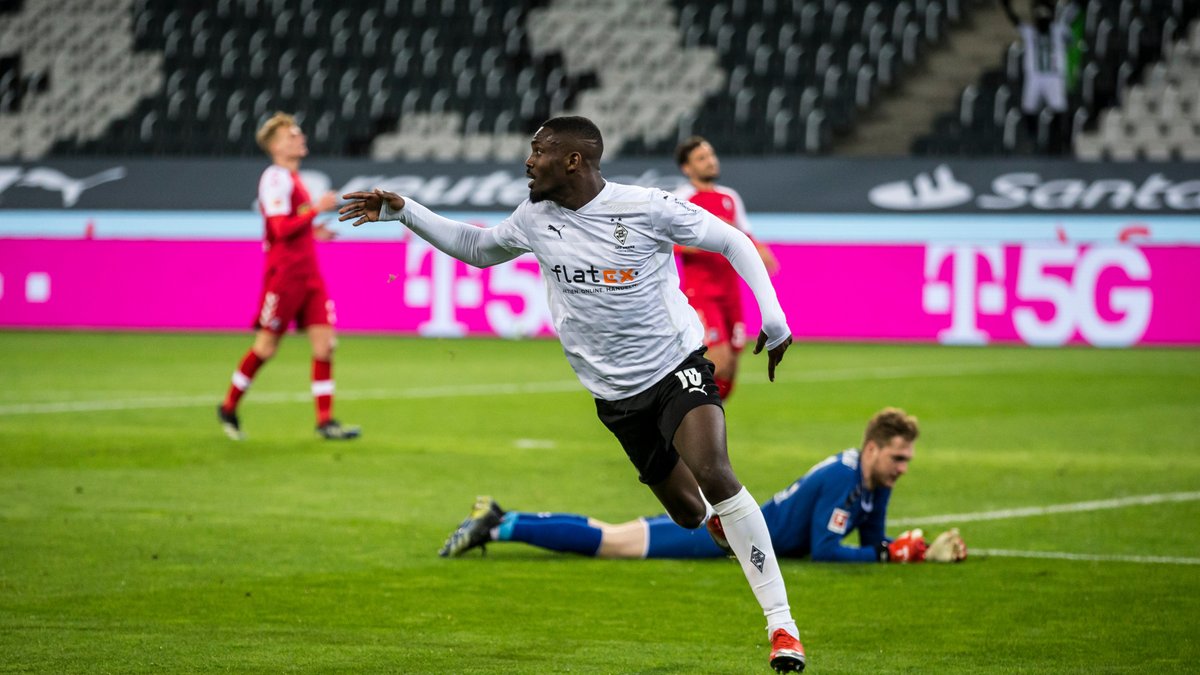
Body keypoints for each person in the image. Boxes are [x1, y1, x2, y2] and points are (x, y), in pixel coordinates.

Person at [340, 116, 806, 673]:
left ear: (572, 161)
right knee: (688, 513)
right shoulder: (534, 218)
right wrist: (404, 211)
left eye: (538, 151)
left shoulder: (646, 207)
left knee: (715, 470)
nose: (528, 161)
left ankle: (781, 625)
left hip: (676, 364)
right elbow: (478, 248)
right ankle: (714, 517)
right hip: (614, 395)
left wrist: (774, 316)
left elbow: (731, 239)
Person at [438, 408, 967, 564]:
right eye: (897, 457)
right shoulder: (844, 479)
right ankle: (500, 525)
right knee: (613, 542)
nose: (903, 467)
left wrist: (911, 549)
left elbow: (870, 540)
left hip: (732, 535)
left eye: (906, 459)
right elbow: (827, 550)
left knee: (615, 534)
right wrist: (893, 556)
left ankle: (502, 519)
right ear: (872, 448)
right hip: (718, 536)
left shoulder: (873, 480)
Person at [217, 112, 360, 441]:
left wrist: (313, 230)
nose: (300, 138)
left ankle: (325, 421)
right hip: (285, 276)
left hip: (310, 275)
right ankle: (228, 405)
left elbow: (292, 224)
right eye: (291, 135)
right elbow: (280, 229)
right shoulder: (274, 178)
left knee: (326, 345)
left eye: (298, 133)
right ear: (276, 147)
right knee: (266, 348)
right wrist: (316, 209)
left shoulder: (293, 179)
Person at [673, 137, 779, 401]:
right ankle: (681, 412)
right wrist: (712, 240)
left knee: (730, 369)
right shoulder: (682, 199)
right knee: (718, 361)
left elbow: (744, 234)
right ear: (687, 168)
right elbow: (671, 242)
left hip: (730, 293)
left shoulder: (730, 197)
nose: (710, 161)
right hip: (702, 292)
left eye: (711, 155)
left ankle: (707, 419)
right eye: (701, 158)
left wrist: (759, 250)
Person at [1002, 0, 1072, 153]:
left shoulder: (1058, 30)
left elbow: (1069, 38)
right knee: (1028, 108)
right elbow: (1016, 21)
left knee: (1059, 109)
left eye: (1045, 17)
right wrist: (1006, 7)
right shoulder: (1030, 32)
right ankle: (1032, 139)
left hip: (1054, 76)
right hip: (1034, 76)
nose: (1042, 21)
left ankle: (1059, 142)